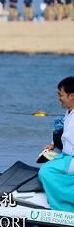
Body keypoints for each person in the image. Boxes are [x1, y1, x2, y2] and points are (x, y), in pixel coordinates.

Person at [38, 77, 74, 211]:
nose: (59, 98)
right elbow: (64, 133)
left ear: (71, 96)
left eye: (61, 95)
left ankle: (63, 206)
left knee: (45, 172)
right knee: (45, 156)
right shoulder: (69, 112)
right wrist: (52, 144)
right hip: (65, 155)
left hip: (71, 159)